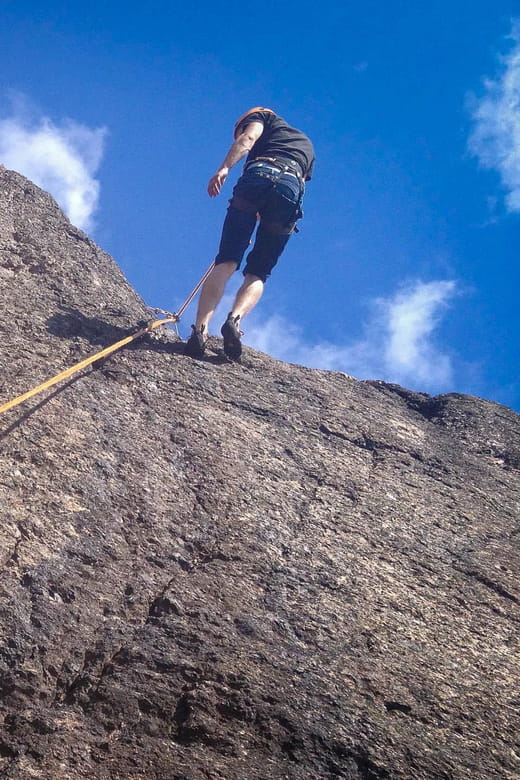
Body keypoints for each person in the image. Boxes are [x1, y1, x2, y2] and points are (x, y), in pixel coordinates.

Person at [184, 107, 315, 360]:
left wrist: (224, 168)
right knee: (258, 273)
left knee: (227, 261)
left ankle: (200, 330)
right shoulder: (305, 144)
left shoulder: (262, 118)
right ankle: (234, 320)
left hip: (260, 174)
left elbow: (249, 138)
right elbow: (297, 185)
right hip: (290, 189)